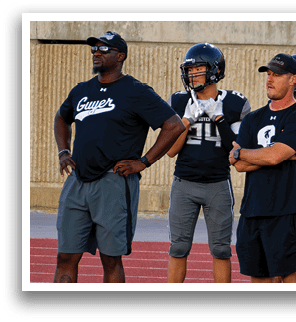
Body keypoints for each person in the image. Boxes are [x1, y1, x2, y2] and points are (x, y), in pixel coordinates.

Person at [53, 31, 186, 283]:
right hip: (78, 181)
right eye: (94, 49)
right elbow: (61, 117)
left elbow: (174, 125)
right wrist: (63, 151)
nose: (96, 53)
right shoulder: (81, 90)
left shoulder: (136, 91)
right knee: (65, 257)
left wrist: (144, 161)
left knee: (110, 259)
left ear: (120, 56)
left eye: (104, 49)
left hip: (113, 182)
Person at [164, 42, 251, 283]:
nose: (191, 75)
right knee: (178, 248)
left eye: (197, 69)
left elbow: (235, 151)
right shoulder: (180, 100)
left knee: (222, 250)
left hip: (217, 183)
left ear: (214, 70)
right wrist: (186, 121)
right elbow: (171, 150)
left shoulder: (234, 102)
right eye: (189, 70)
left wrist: (220, 118)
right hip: (184, 182)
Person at [229, 53, 296, 283]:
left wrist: (240, 152)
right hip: (252, 211)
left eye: (277, 75)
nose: (270, 79)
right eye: (269, 74)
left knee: (292, 277)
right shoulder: (253, 118)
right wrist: (272, 155)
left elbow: (273, 156)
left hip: (285, 211)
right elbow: (239, 166)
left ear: (293, 80)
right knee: (259, 278)